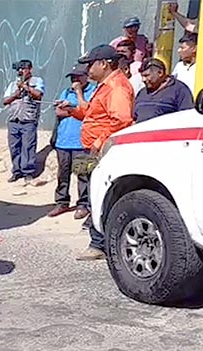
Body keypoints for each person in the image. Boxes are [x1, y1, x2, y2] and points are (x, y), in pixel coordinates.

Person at [59, 44, 134, 261]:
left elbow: (122, 121)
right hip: (91, 149)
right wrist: (72, 110)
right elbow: (93, 115)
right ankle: (98, 239)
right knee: (89, 191)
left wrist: (100, 140)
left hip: (101, 151)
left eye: (91, 64)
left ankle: (98, 244)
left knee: (98, 195)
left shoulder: (117, 87)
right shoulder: (104, 86)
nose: (88, 70)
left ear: (104, 64)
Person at [49, 63, 96, 219]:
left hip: (82, 142)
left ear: (86, 77)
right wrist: (73, 110)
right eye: (72, 78)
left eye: (77, 77)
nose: (74, 81)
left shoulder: (93, 91)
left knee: (83, 174)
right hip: (63, 141)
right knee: (63, 174)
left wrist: (74, 102)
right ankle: (62, 202)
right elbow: (58, 111)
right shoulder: (65, 92)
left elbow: (89, 111)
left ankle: (83, 204)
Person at [1, 59, 45, 185]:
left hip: (28, 120)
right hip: (13, 120)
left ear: (30, 69)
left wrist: (26, 87)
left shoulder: (37, 81)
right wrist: (15, 94)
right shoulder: (12, 84)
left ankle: (28, 172)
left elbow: (39, 94)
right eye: (19, 69)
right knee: (14, 147)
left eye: (24, 69)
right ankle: (16, 171)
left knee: (28, 147)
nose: (21, 71)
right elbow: (5, 101)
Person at [134, 58, 194, 123]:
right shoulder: (142, 93)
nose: (143, 80)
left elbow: (187, 117)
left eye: (146, 76)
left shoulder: (179, 90)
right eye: (142, 76)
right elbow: (134, 117)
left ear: (160, 73)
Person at [172, 31, 198, 96]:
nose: (179, 51)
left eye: (182, 48)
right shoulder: (179, 66)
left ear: (194, 48)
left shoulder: (200, 67)